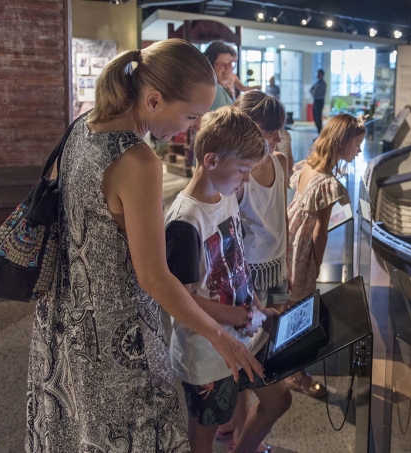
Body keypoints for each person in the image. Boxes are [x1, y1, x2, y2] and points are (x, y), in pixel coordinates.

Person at [25, 39, 263, 453]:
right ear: (153, 100)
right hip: (118, 333)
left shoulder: (81, 128)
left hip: (65, 318)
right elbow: (154, 276)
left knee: (77, 431)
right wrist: (221, 338)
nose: (191, 128)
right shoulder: (139, 161)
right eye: (190, 115)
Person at [164, 106, 291, 453]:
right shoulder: (184, 221)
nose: (246, 179)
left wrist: (257, 306)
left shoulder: (225, 196)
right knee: (204, 431)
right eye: (242, 170)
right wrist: (243, 316)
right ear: (211, 160)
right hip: (205, 352)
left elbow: (236, 261)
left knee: (279, 399)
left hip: (242, 332)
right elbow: (183, 299)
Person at [211, 92, 289, 450]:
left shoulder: (280, 161)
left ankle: (236, 433)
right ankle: (240, 437)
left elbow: (281, 217)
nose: (272, 140)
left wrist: (286, 264)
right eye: (266, 132)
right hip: (249, 276)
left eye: (275, 133)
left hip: (275, 270)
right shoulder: (239, 177)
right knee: (245, 364)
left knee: (266, 350)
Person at [285, 113, 365, 397]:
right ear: (342, 145)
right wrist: (316, 264)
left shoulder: (309, 167)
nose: (358, 152)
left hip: (289, 237)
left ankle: (289, 368)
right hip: (303, 247)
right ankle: (293, 373)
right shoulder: (327, 182)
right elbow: (320, 232)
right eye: (356, 146)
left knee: (289, 306)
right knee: (299, 311)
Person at [204, 41, 236, 110]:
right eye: (222, 65)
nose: (228, 68)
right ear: (211, 66)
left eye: (230, 63)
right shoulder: (216, 89)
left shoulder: (224, 87)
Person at [310, 69, 327, 134]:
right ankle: (319, 132)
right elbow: (311, 90)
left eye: (318, 74)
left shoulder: (323, 84)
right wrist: (314, 92)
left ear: (322, 75)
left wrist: (314, 92)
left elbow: (317, 93)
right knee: (315, 117)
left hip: (319, 102)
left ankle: (320, 133)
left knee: (318, 118)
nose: (317, 75)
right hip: (315, 101)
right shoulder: (317, 83)